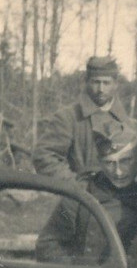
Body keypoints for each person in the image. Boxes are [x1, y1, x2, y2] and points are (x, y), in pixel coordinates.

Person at [35, 123, 137, 264]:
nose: (118, 172)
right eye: (109, 163)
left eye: (125, 160)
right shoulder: (81, 196)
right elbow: (47, 245)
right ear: (100, 162)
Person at [33, 55, 131, 183]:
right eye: (96, 82)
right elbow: (44, 156)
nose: (101, 89)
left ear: (115, 84)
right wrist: (76, 186)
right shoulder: (68, 117)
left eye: (106, 83)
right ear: (87, 82)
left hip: (118, 199)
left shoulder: (126, 123)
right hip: (80, 199)